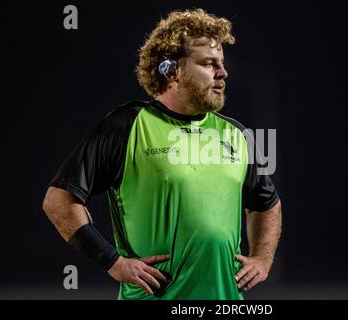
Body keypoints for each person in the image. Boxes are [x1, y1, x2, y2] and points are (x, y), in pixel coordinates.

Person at [42, 8, 282, 300]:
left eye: (221, 63)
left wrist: (262, 259)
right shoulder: (127, 126)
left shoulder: (235, 134)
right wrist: (112, 261)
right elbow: (58, 200)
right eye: (208, 63)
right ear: (172, 71)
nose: (222, 73)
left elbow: (266, 204)